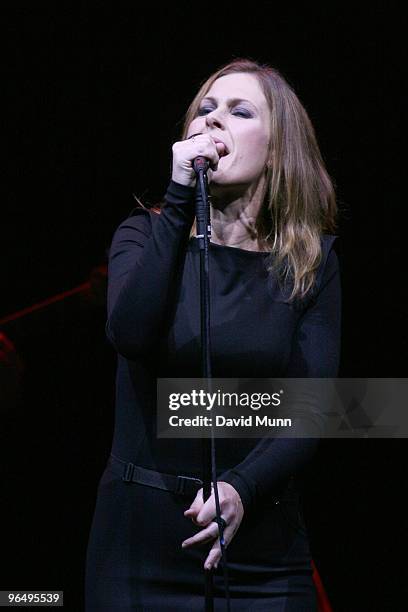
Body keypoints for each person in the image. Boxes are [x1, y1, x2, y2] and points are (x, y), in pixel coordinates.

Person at [85, 58, 341, 611]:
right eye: (204, 109)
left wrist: (243, 486)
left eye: (238, 110)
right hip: (140, 544)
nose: (212, 120)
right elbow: (130, 335)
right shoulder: (144, 234)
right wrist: (180, 200)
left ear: (277, 149)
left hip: (262, 552)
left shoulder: (309, 261)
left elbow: (318, 409)